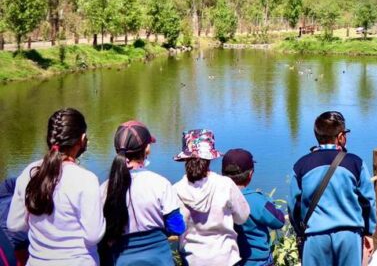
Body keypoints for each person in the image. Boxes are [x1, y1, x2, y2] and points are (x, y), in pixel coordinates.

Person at [7, 108, 105, 265]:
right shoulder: (87, 180)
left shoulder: (29, 173)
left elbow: (14, 225)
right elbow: (93, 235)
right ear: (82, 139)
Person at [289, 111, 377, 266]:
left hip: (315, 237)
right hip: (349, 237)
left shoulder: (301, 165)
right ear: (341, 136)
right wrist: (369, 232)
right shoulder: (355, 163)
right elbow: (367, 201)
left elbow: (293, 206)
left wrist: (300, 231)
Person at [101, 121, 185, 265]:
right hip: (159, 260)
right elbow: (177, 227)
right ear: (147, 149)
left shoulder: (104, 189)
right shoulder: (160, 184)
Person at [173, 128, 250, 266]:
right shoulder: (225, 184)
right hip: (226, 258)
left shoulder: (176, 190)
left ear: (185, 158)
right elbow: (242, 217)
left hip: (192, 260)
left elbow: (176, 227)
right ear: (210, 157)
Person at [221, 148, 287, 266]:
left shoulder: (216, 197)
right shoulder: (256, 200)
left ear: (222, 174)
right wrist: (270, 202)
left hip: (227, 259)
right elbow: (279, 221)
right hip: (257, 261)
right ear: (250, 174)